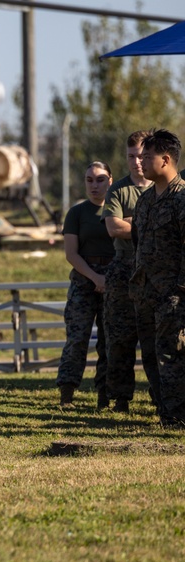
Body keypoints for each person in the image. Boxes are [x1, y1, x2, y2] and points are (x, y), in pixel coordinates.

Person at [130, 129, 185, 428]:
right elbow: (138, 243)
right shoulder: (145, 200)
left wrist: (180, 289)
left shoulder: (182, 198)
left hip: (173, 295)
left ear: (165, 160)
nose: (141, 162)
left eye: (147, 157)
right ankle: (165, 412)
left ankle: (178, 417)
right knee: (151, 355)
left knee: (173, 355)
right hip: (146, 293)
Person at [103, 131, 154, 414]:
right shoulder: (119, 190)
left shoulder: (165, 187)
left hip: (154, 273)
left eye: (141, 156)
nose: (136, 162)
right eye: (131, 157)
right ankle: (120, 399)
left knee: (154, 340)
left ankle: (162, 397)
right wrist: (147, 225)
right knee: (120, 339)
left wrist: (130, 223)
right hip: (123, 271)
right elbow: (113, 228)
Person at [56, 162, 114, 409]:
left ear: (110, 181)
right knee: (77, 338)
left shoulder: (117, 210)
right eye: (89, 179)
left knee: (109, 340)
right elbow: (71, 254)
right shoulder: (77, 213)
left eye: (100, 179)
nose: (94, 185)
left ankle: (105, 394)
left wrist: (106, 279)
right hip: (83, 279)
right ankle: (67, 393)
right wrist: (94, 278)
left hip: (113, 278)